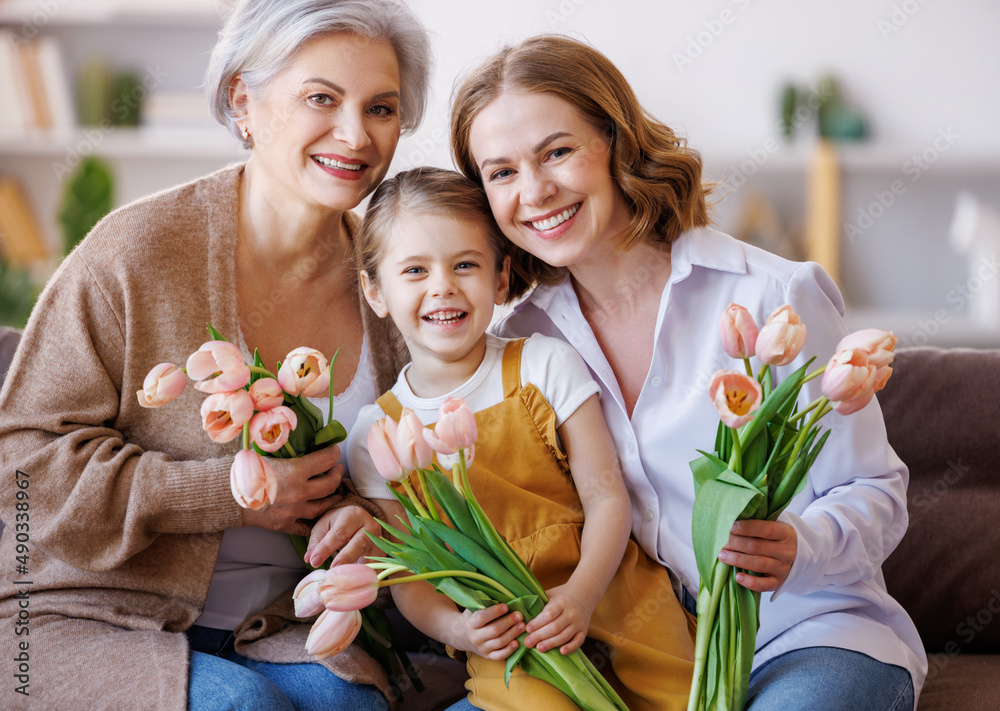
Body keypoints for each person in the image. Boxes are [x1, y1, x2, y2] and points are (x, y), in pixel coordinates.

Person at [449, 34, 927, 711]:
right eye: (500, 172)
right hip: (644, 659)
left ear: (616, 143)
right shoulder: (521, 343)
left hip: (808, 635)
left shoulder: (770, 296)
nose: (534, 191)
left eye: (557, 151)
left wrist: (803, 543)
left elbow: (877, 489)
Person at [0, 1, 430, 709]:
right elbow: (22, 470)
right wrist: (225, 490)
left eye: (381, 107)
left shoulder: (390, 276)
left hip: (285, 624)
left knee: (355, 703)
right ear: (243, 101)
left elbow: (410, 478)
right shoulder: (134, 253)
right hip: (89, 613)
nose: (355, 134)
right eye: (321, 98)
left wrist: (373, 523)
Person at [330, 166, 695, 711]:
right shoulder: (375, 435)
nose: (443, 287)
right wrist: (457, 631)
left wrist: (582, 594)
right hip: (510, 634)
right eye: (414, 270)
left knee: (684, 698)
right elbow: (412, 578)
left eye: (465, 265)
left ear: (500, 278)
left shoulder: (544, 365)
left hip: (613, 593)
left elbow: (606, 497)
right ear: (374, 290)